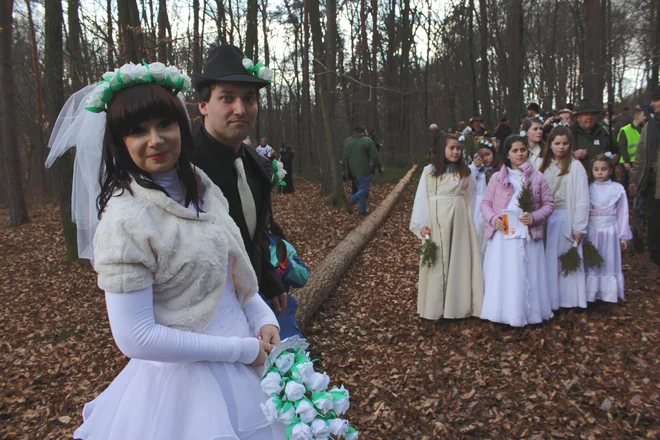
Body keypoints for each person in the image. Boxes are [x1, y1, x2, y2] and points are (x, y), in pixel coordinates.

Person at [46, 63, 285, 440]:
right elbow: (135, 337)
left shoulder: (203, 187)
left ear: (180, 126)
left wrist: (263, 316)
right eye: (137, 130)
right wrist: (242, 350)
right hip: (186, 385)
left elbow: (232, 276)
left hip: (247, 360)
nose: (155, 140)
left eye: (164, 125)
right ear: (120, 142)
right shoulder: (125, 220)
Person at [191, 44, 289, 316]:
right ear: (203, 105)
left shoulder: (255, 164)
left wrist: (270, 280)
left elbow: (255, 235)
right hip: (206, 312)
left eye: (249, 99)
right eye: (227, 98)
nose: (241, 109)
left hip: (254, 303)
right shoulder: (184, 164)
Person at [480, 135, 554, 327]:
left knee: (527, 271)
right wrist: (494, 219)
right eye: (515, 151)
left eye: (522, 150)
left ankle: (528, 312)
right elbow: (486, 204)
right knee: (506, 272)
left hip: (528, 235)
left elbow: (548, 204)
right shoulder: (497, 178)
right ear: (507, 154)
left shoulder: (538, 177)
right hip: (504, 236)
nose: (519, 154)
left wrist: (534, 216)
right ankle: (504, 312)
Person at [410, 134, 484, 320]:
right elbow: (422, 197)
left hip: (459, 221)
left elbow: (471, 194)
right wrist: (423, 223)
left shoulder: (464, 172)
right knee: (438, 260)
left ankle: (457, 307)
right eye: (451, 148)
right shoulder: (430, 171)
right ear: (443, 149)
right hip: (436, 218)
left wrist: (465, 215)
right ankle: (436, 308)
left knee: (459, 259)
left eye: (459, 148)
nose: (456, 151)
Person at [540, 126, 590, 310]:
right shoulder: (544, 166)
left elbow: (582, 199)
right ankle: (551, 299)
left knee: (565, 259)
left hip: (565, 218)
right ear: (550, 144)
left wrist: (579, 227)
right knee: (548, 260)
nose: (561, 147)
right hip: (547, 219)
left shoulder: (576, 167)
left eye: (565, 143)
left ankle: (569, 299)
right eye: (557, 143)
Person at [586, 154, 632, 303]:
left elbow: (622, 213)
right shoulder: (588, 188)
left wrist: (623, 236)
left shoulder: (617, 189)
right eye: (596, 169)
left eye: (604, 169)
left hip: (611, 231)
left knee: (608, 260)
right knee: (593, 261)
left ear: (611, 170)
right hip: (592, 231)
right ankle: (591, 293)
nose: (600, 172)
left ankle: (608, 293)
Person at [629, 86, 660, 266]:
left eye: (656, 101)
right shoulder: (649, 127)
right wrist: (634, 179)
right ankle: (656, 259)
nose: (653, 104)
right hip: (652, 184)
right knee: (654, 223)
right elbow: (640, 156)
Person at [267, 228, 310, 339]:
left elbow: (303, 277)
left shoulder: (279, 245)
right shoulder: (236, 247)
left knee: (290, 353)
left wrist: (286, 264)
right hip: (244, 314)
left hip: (280, 311)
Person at [469, 139, 502, 260]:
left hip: (495, 205)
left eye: (488, 155)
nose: (485, 159)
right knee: (477, 232)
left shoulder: (499, 170)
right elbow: (468, 182)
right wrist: (475, 167)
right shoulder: (475, 170)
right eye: (481, 156)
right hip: (478, 205)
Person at [343, 125, 383, 215]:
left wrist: (346, 173)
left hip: (352, 172)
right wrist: (380, 169)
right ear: (364, 132)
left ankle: (362, 211)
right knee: (365, 190)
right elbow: (375, 157)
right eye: (366, 131)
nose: (367, 133)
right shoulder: (367, 141)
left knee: (361, 190)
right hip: (363, 170)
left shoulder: (348, 142)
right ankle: (351, 200)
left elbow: (344, 157)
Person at [571, 98, 618, 168]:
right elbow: (559, 156)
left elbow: (616, 150)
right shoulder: (569, 133)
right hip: (578, 176)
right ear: (578, 117)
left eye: (592, 114)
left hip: (601, 176)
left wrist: (615, 158)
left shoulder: (604, 132)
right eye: (586, 114)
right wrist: (573, 155)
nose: (589, 117)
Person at [617, 107, 646, 189]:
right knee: (625, 186)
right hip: (628, 162)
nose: (645, 117)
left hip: (639, 162)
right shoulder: (625, 130)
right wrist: (626, 161)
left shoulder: (643, 129)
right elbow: (622, 147)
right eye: (643, 115)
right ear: (636, 116)